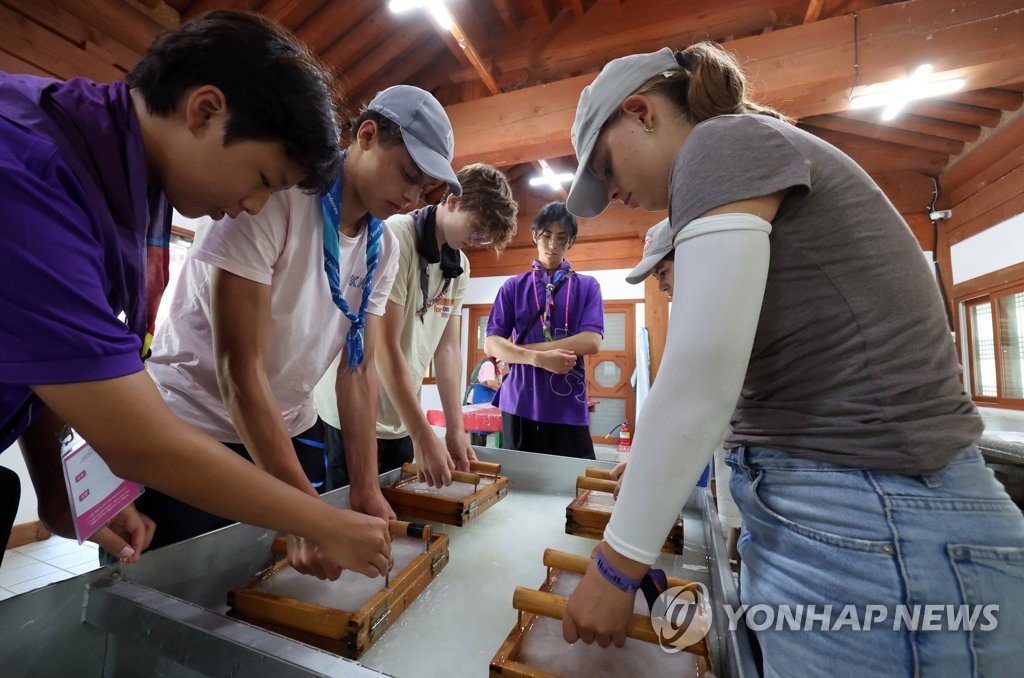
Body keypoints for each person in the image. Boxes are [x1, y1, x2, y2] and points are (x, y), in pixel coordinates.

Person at [559, 43, 1024, 675]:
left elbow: (702, 373)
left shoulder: (717, 145)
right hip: (855, 516)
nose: (611, 192)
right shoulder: (744, 152)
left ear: (641, 112)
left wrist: (616, 566)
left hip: (874, 520)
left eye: (605, 167)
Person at [0, 10, 390, 578]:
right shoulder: (30, 175)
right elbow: (139, 442)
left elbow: (46, 357)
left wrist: (58, 493)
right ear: (205, 110)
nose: (253, 206)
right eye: (262, 179)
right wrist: (319, 519)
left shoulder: (128, 182)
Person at [137, 85, 459, 576]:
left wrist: (365, 486)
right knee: (175, 598)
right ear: (367, 136)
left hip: (284, 432)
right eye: (409, 175)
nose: (414, 197)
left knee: (269, 598)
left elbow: (359, 368)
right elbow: (238, 370)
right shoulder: (273, 195)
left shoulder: (383, 248)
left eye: (425, 188)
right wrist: (310, 517)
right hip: (195, 429)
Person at [315, 163, 518, 488]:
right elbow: (383, 346)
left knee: (396, 511)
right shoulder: (396, 237)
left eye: (484, 238)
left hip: (401, 416)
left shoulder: (461, 266)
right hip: (351, 413)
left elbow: (448, 349)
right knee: (349, 513)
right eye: (477, 229)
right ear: (452, 201)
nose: (476, 241)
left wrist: (455, 427)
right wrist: (424, 435)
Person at [611, 222, 742, 560]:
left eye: (664, 271)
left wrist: (649, 463)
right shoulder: (702, 312)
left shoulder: (732, 302)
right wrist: (645, 458)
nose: (662, 285)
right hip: (736, 458)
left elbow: (695, 403)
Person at [484, 202, 604, 459]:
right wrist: (539, 359)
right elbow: (492, 343)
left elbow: (592, 341)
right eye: (546, 236)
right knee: (520, 484)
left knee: (574, 482)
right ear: (534, 235)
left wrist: (524, 350)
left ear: (571, 241)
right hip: (518, 403)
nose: (552, 244)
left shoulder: (587, 286)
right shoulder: (513, 287)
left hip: (568, 403)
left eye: (562, 237)